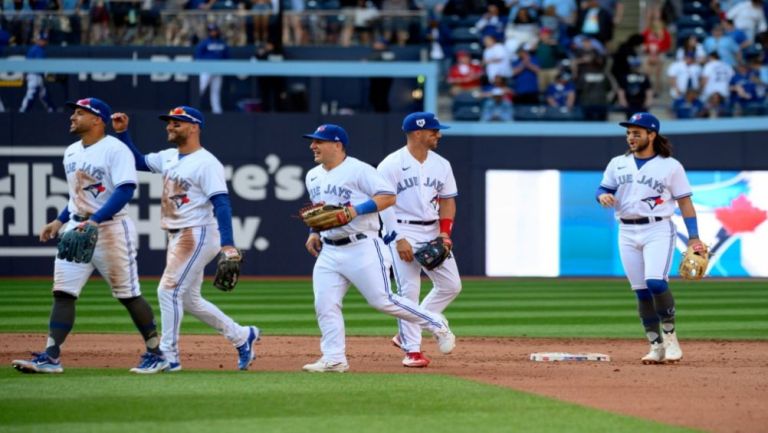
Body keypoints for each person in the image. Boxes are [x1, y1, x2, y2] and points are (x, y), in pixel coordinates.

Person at [11, 97, 162, 374]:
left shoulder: (115, 149)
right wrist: (59, 220)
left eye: (80, 113)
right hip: (76, 227)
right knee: (63, 293)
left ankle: (156, 353)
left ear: (97, 119)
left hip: (111, 230)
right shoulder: (70, 151)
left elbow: (125, 190)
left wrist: (95, 220)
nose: (72, 117)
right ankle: (51, 357)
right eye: (74, 113)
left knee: (128, 294)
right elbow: (77, 196)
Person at [111, 106, 259, 373]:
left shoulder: (206, 162)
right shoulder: (169, 156)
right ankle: (242, 336)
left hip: (198, 233)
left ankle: (168, 356)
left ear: (194, 127)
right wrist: (123, 133)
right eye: (169, 122)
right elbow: (137, 162)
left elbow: (221, 203)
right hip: (178, 235)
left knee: (167, 290)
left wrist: (228, 243)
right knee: (189, 299)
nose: (170, 126)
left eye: (177, 123)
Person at [301, 123, 456, 373]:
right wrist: (314, 232)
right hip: (329, 249)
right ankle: (334, 358)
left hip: (362, 245)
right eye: (313, 141)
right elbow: (321, 208)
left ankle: (435, 321)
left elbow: (388, 196)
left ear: (337, 144)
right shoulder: (313, 175)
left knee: (382, 300)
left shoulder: (359, 169)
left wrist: (356, 210)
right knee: (325, 303)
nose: (313, 146)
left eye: (319, 141)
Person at [596, 112, 704, 364]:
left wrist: (694, 238)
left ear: (651, 134)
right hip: (626, 230)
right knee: (642, 292)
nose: (631, 137)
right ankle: (656, 347)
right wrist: (601, 196)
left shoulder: (670, 166)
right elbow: (604, 188)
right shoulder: (617, 163)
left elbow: (685, 203)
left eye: (636, 133)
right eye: (628, 133)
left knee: (656, 282)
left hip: (658, 229)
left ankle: (670, 339)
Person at [376, 112, 463, 368]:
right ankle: (412, 350)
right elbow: (384, 205)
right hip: (402, 229)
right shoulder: (390, 164)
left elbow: (448, 200)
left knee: (451, 285)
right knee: (408, 290)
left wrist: (445, 232)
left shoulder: (442, 164)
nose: (439, 134)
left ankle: (406, 331)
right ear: (418, 133)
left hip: (432, 230)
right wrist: (398, 238)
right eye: (435, 130)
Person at [194, 23, 229, 114]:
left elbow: (226, 56)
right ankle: (193, 108)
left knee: (215, 90)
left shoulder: (222, 43)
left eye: (214, 30)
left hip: (218, 69)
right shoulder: (205, 42)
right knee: (201, 88)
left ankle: (216, 110)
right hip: (207, 69)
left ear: (217, 31)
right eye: (211, 31)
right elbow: (198, 55)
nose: (213, 32)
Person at [19, 32, 54, 113]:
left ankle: (51, 110)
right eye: (41, 40)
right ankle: (23, 110)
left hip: (38, 75)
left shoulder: (40, 50)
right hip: (33, 75)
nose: (43, 42)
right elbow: (34, 64)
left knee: (43, 94)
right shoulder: (35, 49)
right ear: (38, 40)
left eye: (44, 40)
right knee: (31, 93)